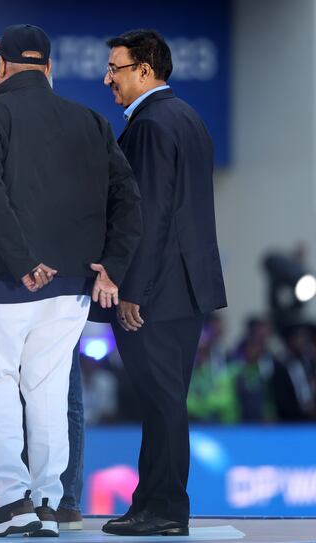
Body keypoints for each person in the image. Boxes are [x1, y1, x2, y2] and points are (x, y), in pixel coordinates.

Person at [0, 24, 141, 537]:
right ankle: (45, 500)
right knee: (46, 392)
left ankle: (10, 502)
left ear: (3, 66)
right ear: (48, 68)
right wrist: (114, 265)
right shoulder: (90, 121)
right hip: (72, 288)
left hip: (1, 282)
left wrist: (21, 259)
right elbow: (129, 199)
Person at [100, 29, 227, 537]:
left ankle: (166, 509)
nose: (108, 77)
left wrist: (133, 288)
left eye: (117, 67)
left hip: (156, 291)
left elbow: (147, 215)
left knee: (162, 401)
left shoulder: (151, 124)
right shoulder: (187, 117)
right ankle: (151, 502)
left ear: (145, 70)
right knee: (164, 400)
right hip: (187, 288)